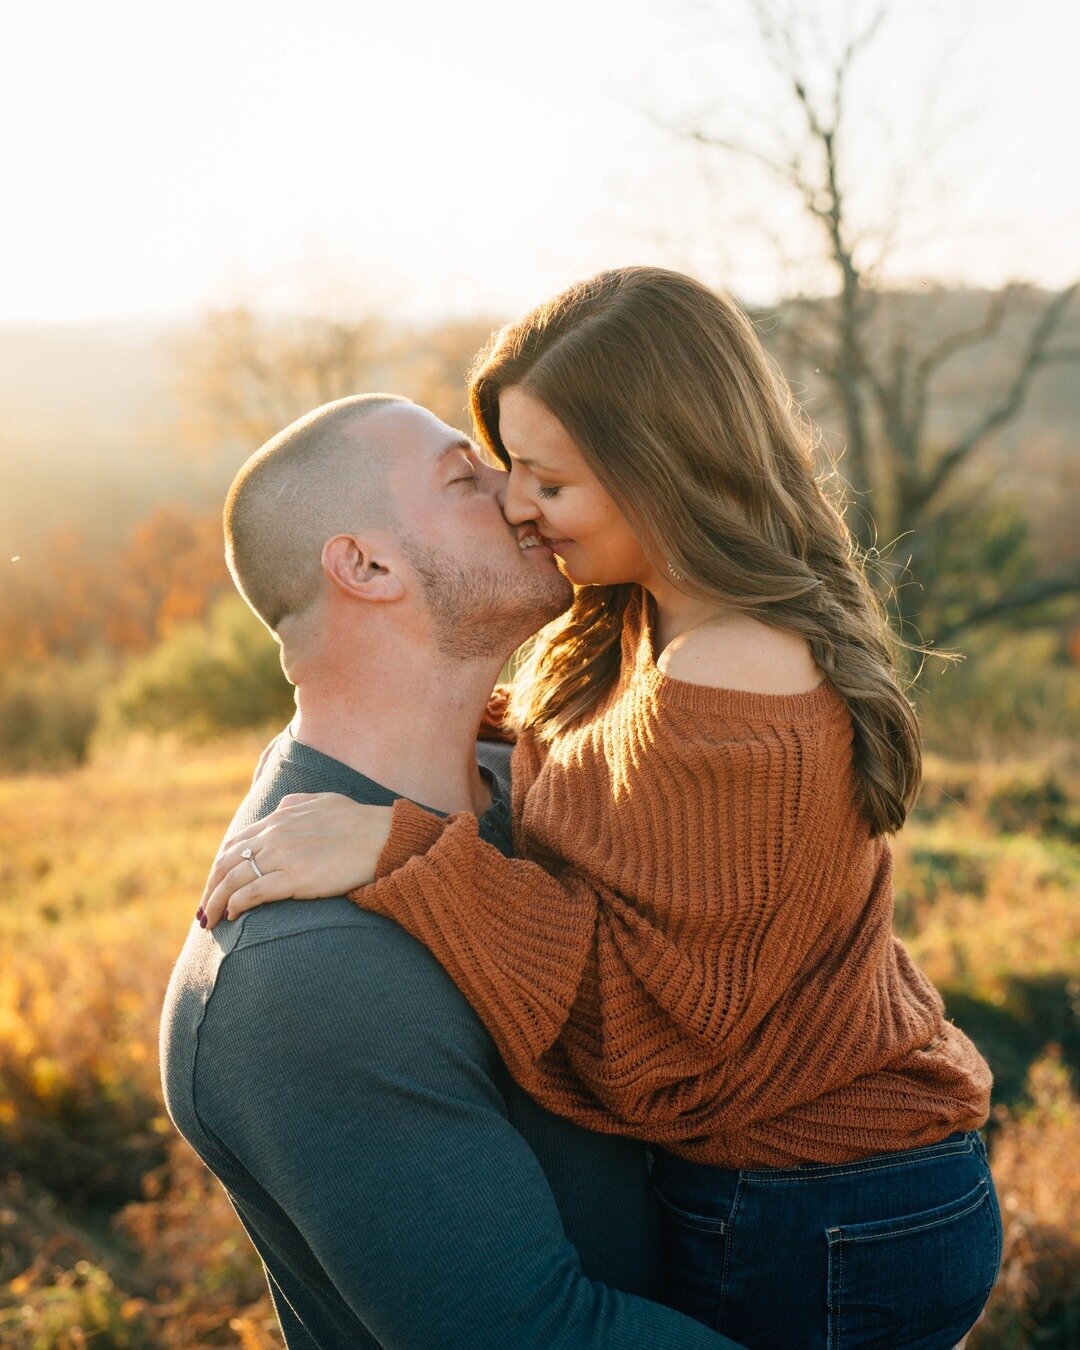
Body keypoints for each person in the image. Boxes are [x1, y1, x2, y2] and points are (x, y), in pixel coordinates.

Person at [200, 269, 1002, 1349]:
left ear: (654, 473)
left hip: (818, 1204)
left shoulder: (734, 670)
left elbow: (652, 1028)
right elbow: (611, 779)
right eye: (485, 473)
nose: (516, 503)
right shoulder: (654, 622)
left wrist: (407, 849)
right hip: (799, 1187)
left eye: (544, 478)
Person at [160, 392, 740, 1349]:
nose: (520, 500)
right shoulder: (304, 974)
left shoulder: (538, 784)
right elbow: (536, 1334)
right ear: (368, 565)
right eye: (465, 478)